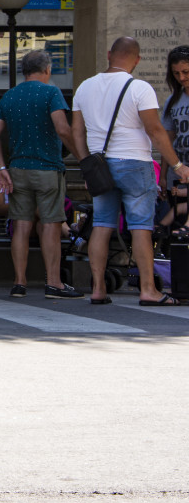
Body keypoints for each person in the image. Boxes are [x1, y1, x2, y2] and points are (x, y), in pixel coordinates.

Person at [72, 36, 189, 306]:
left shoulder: (84, 87)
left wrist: (86, 163)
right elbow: (156, 131)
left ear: (109, 54)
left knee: (101, 225)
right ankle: (148, 290)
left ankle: (99, 289)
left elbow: (77, 132)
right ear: (137, 60)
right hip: (135, 163)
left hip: (99, 165)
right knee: (140, 227)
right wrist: (178, 166)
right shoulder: (140, 88)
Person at [0, 49, 81, 299]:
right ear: (47, 70)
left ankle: (19, 283)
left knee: (21, 226)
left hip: (17, 170)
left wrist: (1, 169)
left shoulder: (9, 96)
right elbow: (62, 129)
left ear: (24, 70)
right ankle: (54, 283)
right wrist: (82, 157)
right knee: (51, 225)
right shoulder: (51, 92)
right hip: (48, 168)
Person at [159, 45, 189, 229]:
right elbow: (166, 141)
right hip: (176, 174)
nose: (182, 78)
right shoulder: (173, 100)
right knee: (177, 229)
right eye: (176, 73)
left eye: (186, 72)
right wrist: (162, 176)